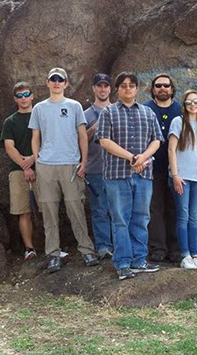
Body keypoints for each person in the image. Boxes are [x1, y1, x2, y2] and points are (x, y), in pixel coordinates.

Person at [29, 67, 99, 273]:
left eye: (61, 79)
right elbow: (35, 137)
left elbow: (82, 135)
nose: (57, 82)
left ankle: (86, 250)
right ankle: (53, 254)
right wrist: (37, 161)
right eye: (53, 79)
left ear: (66, 84)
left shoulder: (74, 106)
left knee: (75, 209)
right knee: (49, 212)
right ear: (47, 83)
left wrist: (84, 161)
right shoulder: (39, 109)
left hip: (71, 164)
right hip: (46, 166)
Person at [96, 72, 163, 280]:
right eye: (123, 85)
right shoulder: (108, 112)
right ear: (117, 89)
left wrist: (142, 157)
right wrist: (131, 157)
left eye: (131, 85)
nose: (128, 88)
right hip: (117, 174)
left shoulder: (148, 113)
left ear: (137, 89)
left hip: (143, 175)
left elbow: (157, 140)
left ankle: (139, 260)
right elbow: (104, 140)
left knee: (141, 218)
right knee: (120, 220)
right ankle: (123, 262)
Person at [168, 89, 197, 270]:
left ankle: (195, 254)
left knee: (194, 217)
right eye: (189, 102)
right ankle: (185, 254)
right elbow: (171, 150)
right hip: (182, 178)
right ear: (184, 106)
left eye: (196, 102)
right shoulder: (178, 122)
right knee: (183, 215)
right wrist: (175, 175)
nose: (193, 105)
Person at [143, 74, 182, 263]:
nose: (162, 89)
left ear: (172, 89)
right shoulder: (145, 109)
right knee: (155, 208)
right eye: (158, 86)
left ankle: (175, 249)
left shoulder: (180, 109)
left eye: (166, 85)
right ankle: (158, 248)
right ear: (153, 89)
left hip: (176, 169)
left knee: (174, 209)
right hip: (152, 168)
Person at [1, 82, 38, 260]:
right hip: (17, 170)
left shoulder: (41, 117)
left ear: (32, 96)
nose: (23, 99)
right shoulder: (10, 121)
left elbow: (48, 142)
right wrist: (26, 165)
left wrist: (33, 159)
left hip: (42, 167)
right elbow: (9, 147)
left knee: (49, 207)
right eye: (19, 96)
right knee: (24, 211)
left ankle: (54, 247)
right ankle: (29, 248)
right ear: (15, 99)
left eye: (26, 95)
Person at [84, 73, 113, 260]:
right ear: (94, 88)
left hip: (117, 169)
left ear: (110, 89)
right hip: (94, 168)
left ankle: (121, 245)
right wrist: (93, 128)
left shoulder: (118, 110)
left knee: (118, 209)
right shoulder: (85, 114)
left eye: (106, 86)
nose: (102, 89)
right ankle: (103, 246)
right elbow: (79, 142)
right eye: (99, 86)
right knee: (99, 210)